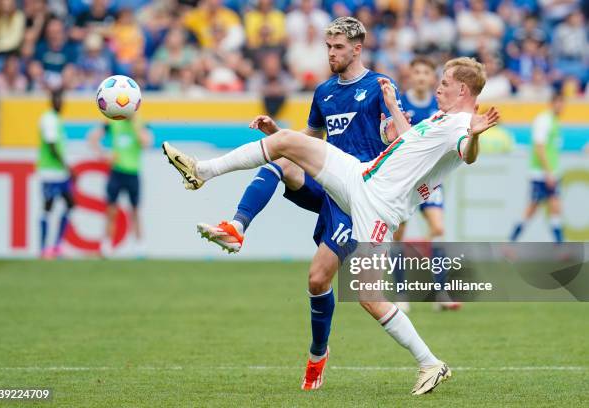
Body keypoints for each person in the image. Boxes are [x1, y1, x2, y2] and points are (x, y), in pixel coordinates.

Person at [162, 57, 500, 395]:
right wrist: (395, 108)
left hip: (378, 208)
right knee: (286, 143)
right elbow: (412, 143)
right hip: (361, 175)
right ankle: (201, 171)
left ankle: (430, 363)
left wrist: (474, 137)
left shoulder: (463, 125)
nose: (438, 87)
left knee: (368, 295)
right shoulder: (442, 118)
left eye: (445, 82)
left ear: (463, 89)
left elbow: (466, 154)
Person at [195, 17, 401, 391]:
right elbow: (311, 139)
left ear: (357, 48)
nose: (331, 53)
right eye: (328, 47)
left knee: (318, 277)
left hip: (358, 197)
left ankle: (318, 354)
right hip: (328, 184)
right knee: (282, 161)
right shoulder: (323, 92)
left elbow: (398, 141)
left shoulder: (378, 88)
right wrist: (278, 136)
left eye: (338, 47)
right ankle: (236, 228)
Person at [393, 56, 460, 313]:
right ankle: (401, 293)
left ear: (433, 78)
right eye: (417, 72)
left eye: (425, 72)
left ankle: (440, 291)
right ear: (410, 75)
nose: (421, 76)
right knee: (398, 236)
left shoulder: (440, 105)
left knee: (438, 228)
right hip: (404, 182)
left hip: (430, 182)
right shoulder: (400, 103)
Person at [88, 118, 152, 256]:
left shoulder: (140, 123)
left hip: (133, 172)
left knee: (134, 211)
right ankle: (107, 245)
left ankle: (140, 245)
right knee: (111, 210)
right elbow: (92, 138)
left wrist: (136, 125)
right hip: (116, 172)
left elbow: (146, 143)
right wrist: (103, 154)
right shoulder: (113, 122)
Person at [510, 92, 565, 243]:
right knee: (532, 209)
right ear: (552, 103)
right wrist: (548, 172)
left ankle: (560, 246)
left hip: (550, 173)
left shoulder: (555, 121)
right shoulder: (544, 120)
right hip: (541, 174)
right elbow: (539, 147)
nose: (562, 106)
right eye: (559, 103)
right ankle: (511, 241)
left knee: (555, 207)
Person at [37, 88, 74, 259]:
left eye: (62, 99)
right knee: (48, 208)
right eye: (57, 99)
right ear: (52, 100)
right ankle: (44, 249)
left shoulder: (58, 119)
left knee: (70, 204)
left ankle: (57, 246)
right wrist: (66, 165)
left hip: (60, 173)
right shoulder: (49, 119)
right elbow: (51, 146)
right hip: (50, 172)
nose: (60, 102)